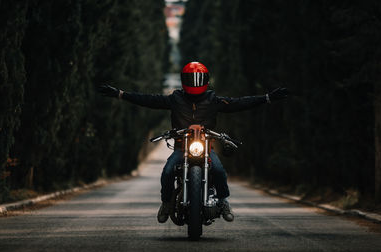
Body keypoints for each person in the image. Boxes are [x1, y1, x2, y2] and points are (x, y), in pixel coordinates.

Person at [99, 62, 288, 223]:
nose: (194, 83)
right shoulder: (176, 98)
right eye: (191, 79)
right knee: (166, 172)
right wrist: (120, 94)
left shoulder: (213, 99)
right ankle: (166, 203)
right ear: (184, 80)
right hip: (182, 148)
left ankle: (223, 201)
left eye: (198, 79)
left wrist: (267, 98)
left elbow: (238, 103)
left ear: (205, 80)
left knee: (220, 171)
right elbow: (149, 100)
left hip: (205, 148)